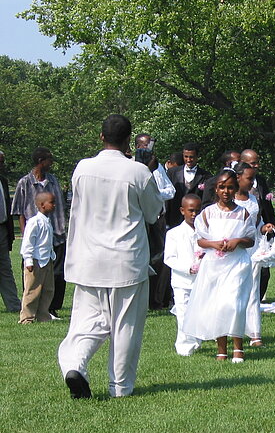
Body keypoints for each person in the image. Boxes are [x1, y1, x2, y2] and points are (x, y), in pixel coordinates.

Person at [57, 114, 164, 399]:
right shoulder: (137, 172)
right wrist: (148, 170)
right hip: (125, 259)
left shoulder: (82, 168)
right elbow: (154, 212)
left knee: (86, 323)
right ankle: (120, 387)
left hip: (88, 258)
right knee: (125, 326)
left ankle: (74, 365)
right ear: (129, 140)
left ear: (101, 136)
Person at [183, 169, 256, 361]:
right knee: (218, 305)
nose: (226, 191)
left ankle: (238, 346)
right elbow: (200, 240)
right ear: (216, 189)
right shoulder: (207, 213)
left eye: (230, 187)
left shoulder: (243, 213)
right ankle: (221, 347)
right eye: (222, 187)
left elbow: (251, 239)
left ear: (235, 189)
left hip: (237, 264)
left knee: (234, 303)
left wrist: (237, 240)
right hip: (215, 264)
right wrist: (214, 244)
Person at [11, 147, 67, 318]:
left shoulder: (53, 181)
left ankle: (51, 308)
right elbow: (19, 211)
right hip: (35, 237)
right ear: (41, 161)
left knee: (57, 274)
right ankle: (30, 310)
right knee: (33, 276)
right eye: (49, 159)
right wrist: (25, 233)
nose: (52, 163)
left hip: (56, 233)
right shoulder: (25, 183)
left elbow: (60, 207)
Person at [233, 161, 275, 346]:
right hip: (233, 251)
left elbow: (255, 225)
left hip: (253, 251)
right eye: (249, 179)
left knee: (252, 291)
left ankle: (254, 333)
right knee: (234, 292)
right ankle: (231, 329)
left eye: (253, 179)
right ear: (238, 178)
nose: (252, 182)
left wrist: (263, 228)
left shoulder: (253, 200)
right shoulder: (229, 200)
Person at [134, 134, 176, 310]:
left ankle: (156, 299)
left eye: (150, 146)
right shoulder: (133, 167)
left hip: (158, 219)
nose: (148, 149)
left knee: (159, 259)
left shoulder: (157, 167)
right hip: (140, 219)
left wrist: (156, 196)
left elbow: (170, 190)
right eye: (144, 146)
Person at [164, 194, 203, 356]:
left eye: (198, 211)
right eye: (191, 211)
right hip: (181, 281)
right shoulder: (174, 233)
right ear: (182, 211)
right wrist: (188, 268)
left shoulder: (204, 232)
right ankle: (183, 345)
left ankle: (196, 340)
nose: (194, 214)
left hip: (201, 281)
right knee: (183, 312)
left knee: (198, 312)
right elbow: (169, 258)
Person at [240, 149, 275, 300]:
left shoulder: (261, 181)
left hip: (259, 236)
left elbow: (266, 206)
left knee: (263, 271)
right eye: (253, 163)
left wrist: (267, 226)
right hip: (241, 242)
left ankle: (257, 300)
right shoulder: (233, 195)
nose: (257, 165)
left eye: (257, 162)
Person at [18, 192, 56, 324]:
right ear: (42, 205)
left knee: (48, 290)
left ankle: (43, 315)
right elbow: (28, 242)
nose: (54, 205)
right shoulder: (34, 222)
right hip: (35, 261)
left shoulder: (47, 221)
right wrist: (28, 260)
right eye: (52, 202)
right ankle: (27, 317)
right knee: (32, 290)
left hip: (47, 260)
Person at [166, 142, 212, 228]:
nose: (188, 160)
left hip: (196, 218)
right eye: (186, 157)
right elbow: (167, 199)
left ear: (197, 157)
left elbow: (207, 199)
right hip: (175, 218)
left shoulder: (206, 176)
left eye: (191, 157)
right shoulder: (172, 173)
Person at [0, 150, 21, 313]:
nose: (2, 165)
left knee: (5, 269)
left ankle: (13, 305)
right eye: (0, 161)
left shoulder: (3, 181)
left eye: (3, 161)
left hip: (2, 230)